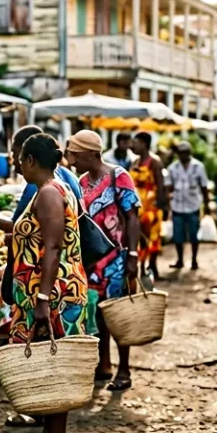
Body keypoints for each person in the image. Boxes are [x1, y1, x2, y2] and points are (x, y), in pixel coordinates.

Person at [6, 133, 91, 433]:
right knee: (46, 364)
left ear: (29, 160)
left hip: (55, 295)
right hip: (50, 292)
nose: (17, 164)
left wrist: (42, 299)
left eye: (20, 159)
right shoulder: (55, 188)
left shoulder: (48, 193)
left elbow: (52, 249)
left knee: (56, 369)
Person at [67, 130, 141, 391]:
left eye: (76, 155)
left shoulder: (118, 176)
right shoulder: (81, 180)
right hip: (90, 262)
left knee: (117, 314)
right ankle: (104, 364)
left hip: (116, 259)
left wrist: (133, 255)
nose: (72, 160)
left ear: (91, 153)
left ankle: (124, 369)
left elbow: (132, 216)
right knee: (96, 313)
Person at [128, 132, 167, 281]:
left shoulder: (154, 162)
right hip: (136, 206)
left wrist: (161, 205)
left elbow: (161, 185)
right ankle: (142, 266)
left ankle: (152, 266)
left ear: (144, 144)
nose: (133, 145)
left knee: (152, 238)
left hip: (150, 207)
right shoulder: (134, 162)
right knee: (139, 238)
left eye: (136, 142)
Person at [167, 141, 211, 270]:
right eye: (181, 153)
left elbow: (204, 186)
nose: (183, 155)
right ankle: (180, 259)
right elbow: (169, 187)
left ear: (189, 153)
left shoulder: (198, 167)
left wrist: (207, 204)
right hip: (177, 206)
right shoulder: (173, 168)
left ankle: (194, 260)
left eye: (185, 153)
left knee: (194, 235)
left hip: (193, 206)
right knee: (178, 235)